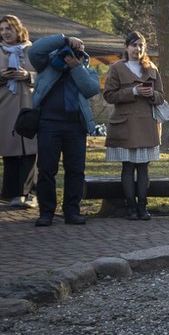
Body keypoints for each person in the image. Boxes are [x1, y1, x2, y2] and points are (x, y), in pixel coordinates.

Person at [29, 34, 101, 226]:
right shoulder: (46, 65)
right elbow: (34, 50)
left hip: (75, 126)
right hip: (48, 124)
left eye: (79, 50)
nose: (73, 53)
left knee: (76, 171)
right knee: (46, 170)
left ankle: (72, 212)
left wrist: (76, 67)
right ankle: (46, 213)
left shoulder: (85, 70)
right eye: (71, 49)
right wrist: (64, 40)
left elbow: (91, 89)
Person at [102, 31, 165, 220]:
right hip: (125, 124)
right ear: (126, 47)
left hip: (147, 124)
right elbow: (109, 95)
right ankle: (130, 207)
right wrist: (133, 92)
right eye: (134, 45)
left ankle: (143, 207)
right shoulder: (116, 68)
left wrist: (151, 94)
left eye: (140, 45)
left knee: (144, 167)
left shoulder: (151, 68)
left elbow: (161, 96)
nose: (137, 49)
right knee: (128, 167)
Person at [0, 16, 38, 208]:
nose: (5, 32)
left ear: (19, 30)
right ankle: (12, 193)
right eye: (2, 29)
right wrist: (0, 75)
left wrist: (28, 75)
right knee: (11, 151)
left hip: (29, 106)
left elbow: (46, 76)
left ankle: (30, 193)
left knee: (31, 150)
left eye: (9, 28)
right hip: (6, 107)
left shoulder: (33, 51)